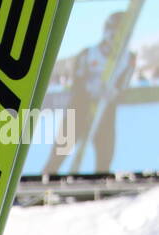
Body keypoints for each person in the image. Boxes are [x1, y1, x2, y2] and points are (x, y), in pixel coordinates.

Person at [44, 12, 136, 176]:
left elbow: (124, 86)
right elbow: (76, 84)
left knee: (105, 153)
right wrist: (89, 88)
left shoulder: (128, 58)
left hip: (105, 111)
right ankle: (46, 180)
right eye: (112, 32)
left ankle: (100, 187)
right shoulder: (88, 54)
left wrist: (113, 92)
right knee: (61, 150)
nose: (114, 38)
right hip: (80, 108)